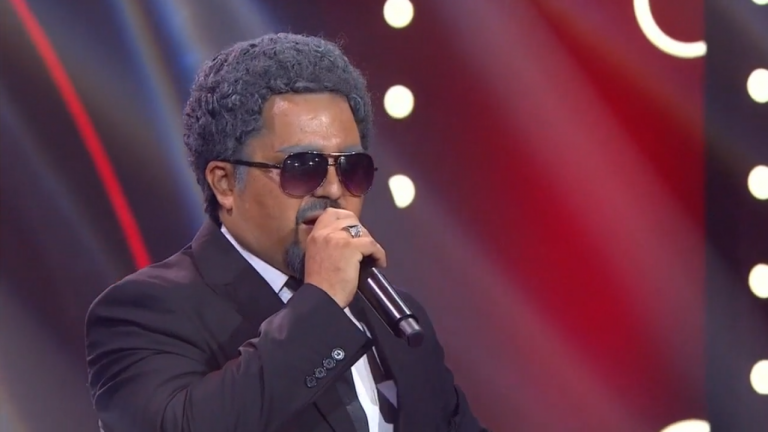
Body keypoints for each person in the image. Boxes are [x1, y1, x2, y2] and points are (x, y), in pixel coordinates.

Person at [85, 33, 486, 432]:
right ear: (224, 183)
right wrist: (323, 303)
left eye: (352, 168)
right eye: (303, 167)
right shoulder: (144, 311)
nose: (333, 189)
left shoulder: (397, 314)